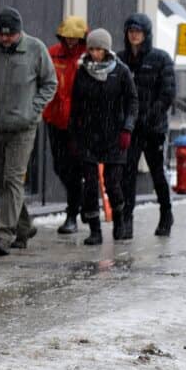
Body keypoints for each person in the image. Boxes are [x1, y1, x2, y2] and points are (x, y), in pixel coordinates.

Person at [0, 7, 57, 256]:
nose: (5, 38)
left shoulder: (35, 49)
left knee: (13, 179)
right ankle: (25, 226)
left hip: (23, 127)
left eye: (10, 35)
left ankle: (4, 236)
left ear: (20, 33)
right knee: (2, 182)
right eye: (1, 34)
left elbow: (50, 82)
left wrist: (33, 110)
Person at [68, 29, 137, 246]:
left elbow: (132, 102)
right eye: (92, 49)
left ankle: (119, 220)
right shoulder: (82, 72)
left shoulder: (121, 72)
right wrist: (74, 134)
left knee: (112, 183)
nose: (95, 53)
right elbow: (76, 105)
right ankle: (94, 229)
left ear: (106, 50)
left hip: (115, 136)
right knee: (89, 184)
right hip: (88, 136)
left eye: (99, 49)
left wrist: (127, 128)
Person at [117, 12, 176, 239]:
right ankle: (126, 219)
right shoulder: (121, 59)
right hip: (130, 128)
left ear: (146, 34)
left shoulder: (160, 59)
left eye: (138, 31)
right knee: (127, 175)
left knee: (157, 172)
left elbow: (167, 94)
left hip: (153, 128)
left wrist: (149, 116)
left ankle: (166, 213)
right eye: (131, 31)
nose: (134, 35)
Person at [42, 15, 96, 235]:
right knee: (60, 167)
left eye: (75, 38)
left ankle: (73, 213)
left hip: (81, 123)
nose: (71, 41)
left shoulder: (90, 57)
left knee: (79, 168)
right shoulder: (52, 53)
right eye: (68, 37)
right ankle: (81, 200)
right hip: (55, 119)